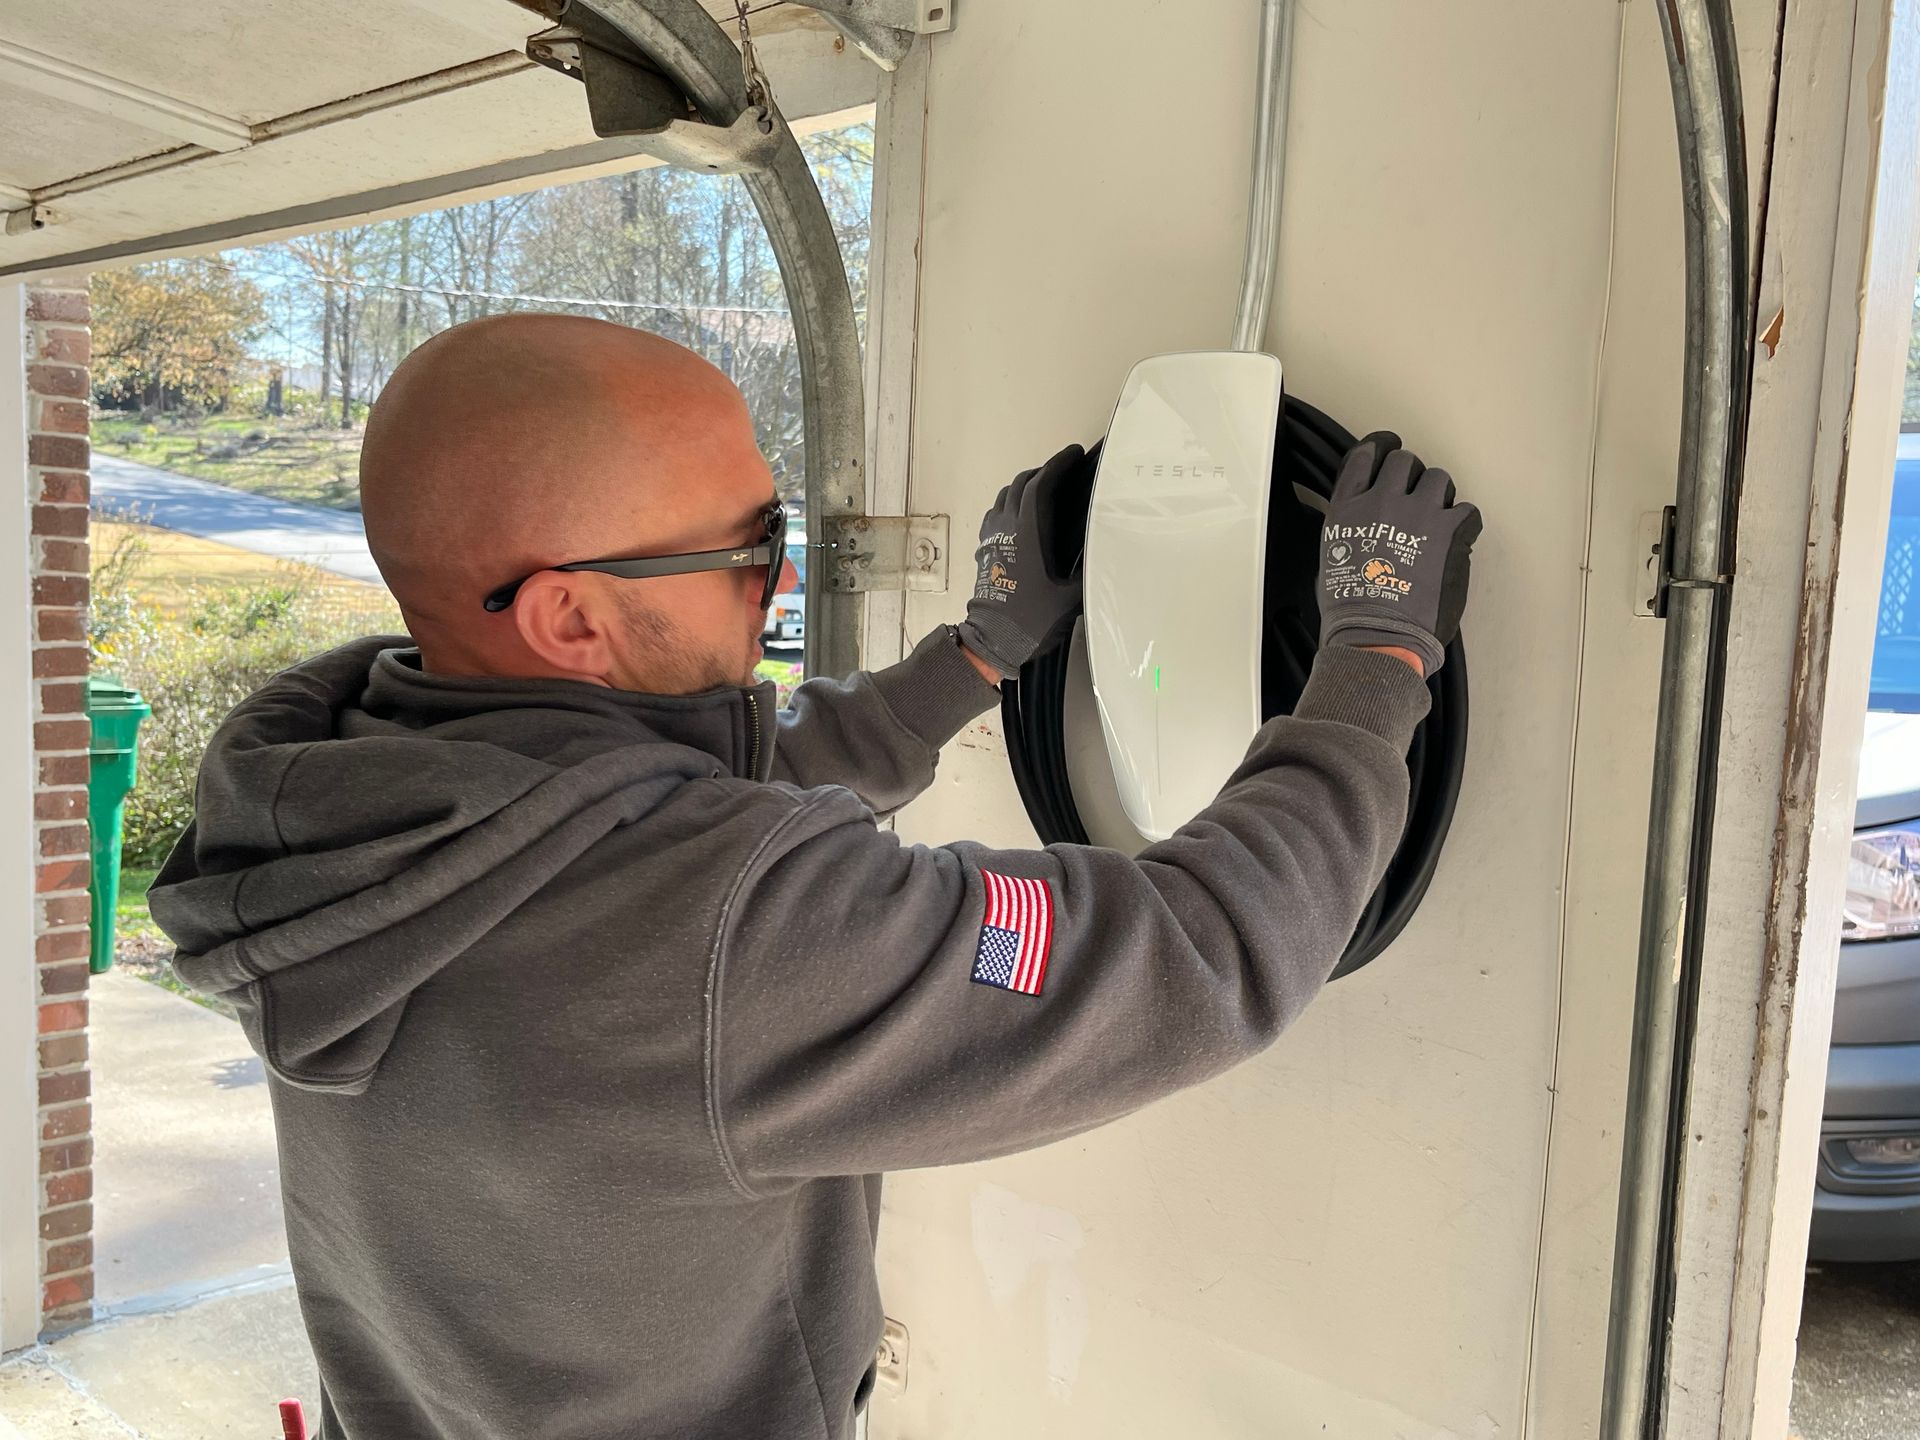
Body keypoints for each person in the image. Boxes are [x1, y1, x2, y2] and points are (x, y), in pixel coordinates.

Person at [151, 313, 1480, 1440]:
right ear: (570, 615)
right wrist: (1374, 655)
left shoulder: (325, 799)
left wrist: (975, 654)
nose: (777, 581)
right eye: (743, 552)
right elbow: (1194, 952)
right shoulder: (729, 936)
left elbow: (659, 803)